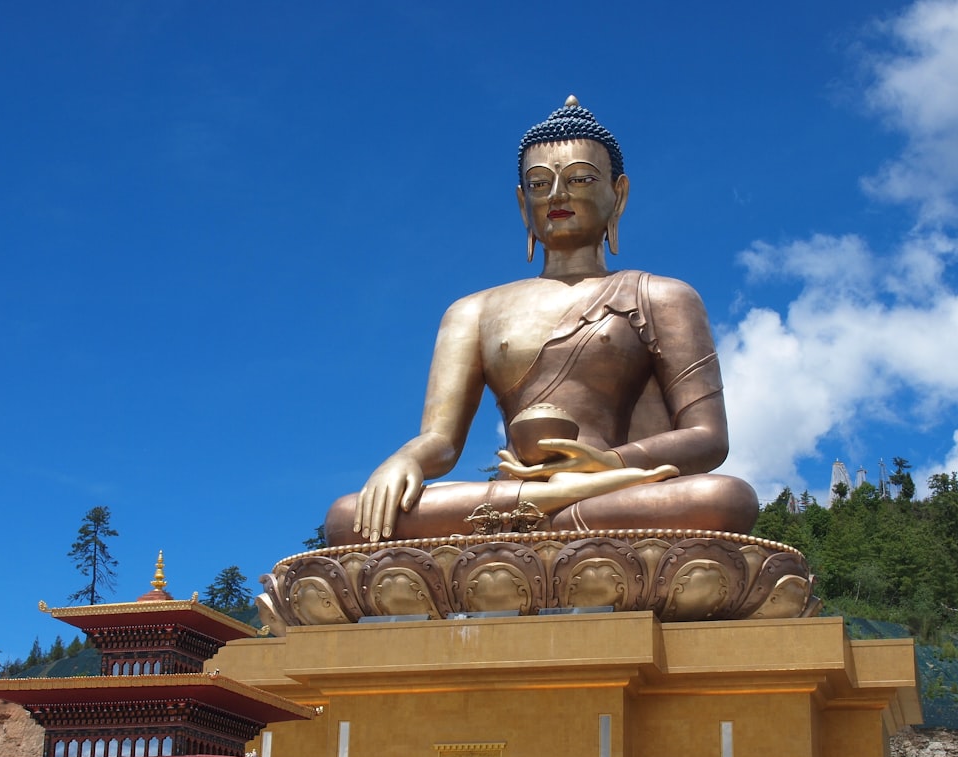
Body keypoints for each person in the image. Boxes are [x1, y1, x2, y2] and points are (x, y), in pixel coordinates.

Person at [325, 97, 758, 546]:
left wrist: (606, 466)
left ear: (619, 194)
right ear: (521, 203)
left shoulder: (662, 296)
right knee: (348, 516)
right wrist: (405, 460)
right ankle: (549, 511)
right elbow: (441, 440)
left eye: (580, 179)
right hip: (518, 491)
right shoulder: (472, 311)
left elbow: (707, 437)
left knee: (723, 499)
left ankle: (540, 519)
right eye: (539, 184)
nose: (557, 195)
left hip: (618, 486)